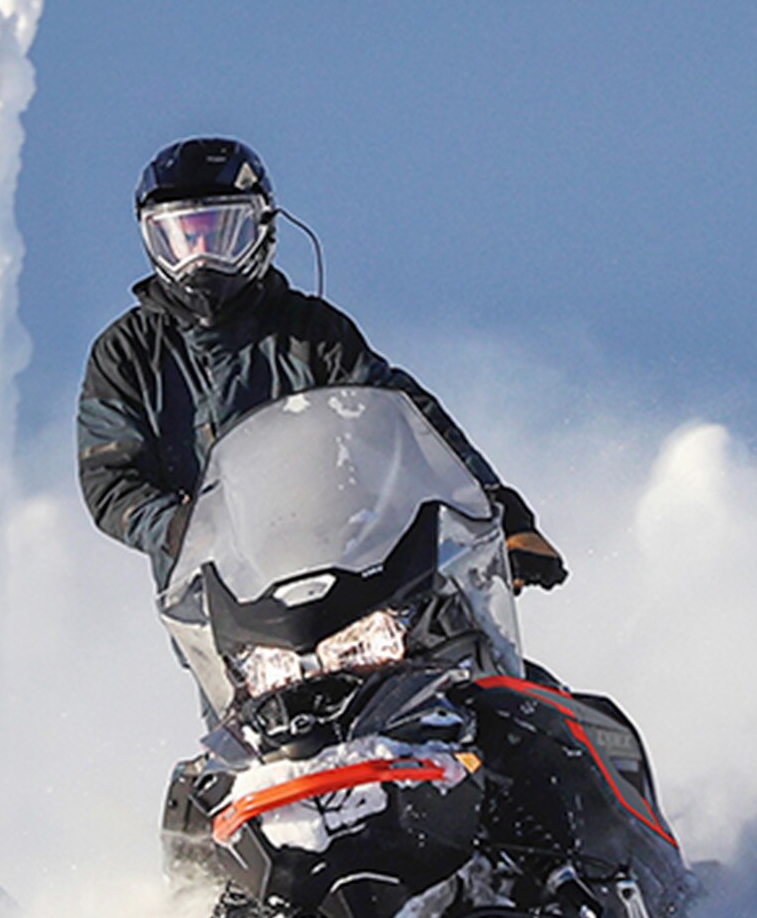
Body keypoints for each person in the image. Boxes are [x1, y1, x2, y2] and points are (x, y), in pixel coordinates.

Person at [74, 136, 567, 589]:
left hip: (354, 572)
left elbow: (407, 423)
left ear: (262, 230)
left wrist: (501, 515)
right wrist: (182, 526)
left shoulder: (310, 332)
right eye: (181, 239)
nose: (201, 259)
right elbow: (110, 479)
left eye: (222, 234)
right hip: (223, 600)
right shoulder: (128, 353)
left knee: (456, 647)